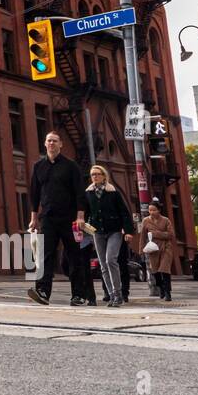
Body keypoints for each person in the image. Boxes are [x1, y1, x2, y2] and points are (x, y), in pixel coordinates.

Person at [26, 131, 89, 306]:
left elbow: (79, 192)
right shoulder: (39, 166)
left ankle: (78, 295)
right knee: (45, 255)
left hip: (70, 218)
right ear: (45, 144)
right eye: (49, 141)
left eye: (55, 141)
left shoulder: (71, 166)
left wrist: (80, 216)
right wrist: (34, 218)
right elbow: (35, 193)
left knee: (73, 256)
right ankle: (43, 291)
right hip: (47, 218)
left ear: (61, 144)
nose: (51, 143)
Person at [78, 164, 134, 307]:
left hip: (114, 231)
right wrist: (86, 228)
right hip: (98, 233)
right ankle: (112, 296)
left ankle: (118, 293)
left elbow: (124, 212)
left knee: (110, 260)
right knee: (103, 265)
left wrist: (127, 231)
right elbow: (87, 214)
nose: (95, 177)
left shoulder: (112, 192)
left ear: (104, 176)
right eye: (92, 175)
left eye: (97, 174)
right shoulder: (88, 193)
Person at [140, 201, 176, 301]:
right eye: (150, 210)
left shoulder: (166, 220)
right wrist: (141, 250)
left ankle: (168, 293)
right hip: (153, 249)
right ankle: (161, 288)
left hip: (166, 248)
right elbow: (142, 236)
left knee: (165, 270)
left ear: (159, 210)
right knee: (155, 271)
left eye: (154, 210)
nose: (151, 212)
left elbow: (170, 235)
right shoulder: (146, 221)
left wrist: (156, 234)